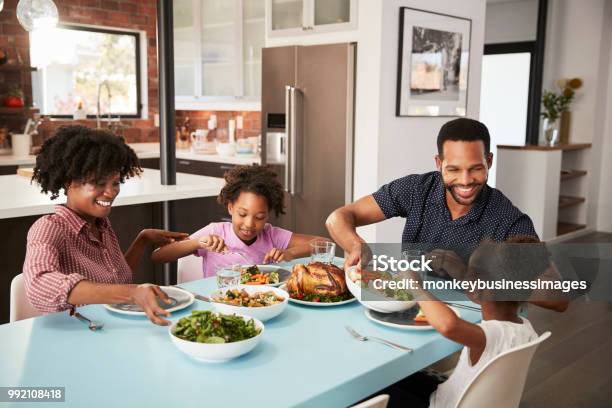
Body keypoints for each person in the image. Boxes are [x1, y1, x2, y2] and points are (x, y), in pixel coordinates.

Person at [326, 118, 567, 312]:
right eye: (453, 169)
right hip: (409, 308)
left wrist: (466, 274)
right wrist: (357, 245)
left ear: (489, 162)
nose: (465, 181)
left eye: (475, 168)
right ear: (438, 163)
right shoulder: (416, 190)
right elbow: (339, 217)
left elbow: (557, 297)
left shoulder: (507, 219)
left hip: (469, 326)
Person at [23, 125, 189, 325]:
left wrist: (143, 239)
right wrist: (131, 293)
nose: (110, 193)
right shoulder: (49, 228)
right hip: (76, 333)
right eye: (99, 183)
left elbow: (117, 279)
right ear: (68, 182)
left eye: (115, 183)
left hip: (108, 327)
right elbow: (38, 284)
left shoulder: (102, 225)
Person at [379, 236, 547, 408]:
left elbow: (449, 325)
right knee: (399, 380)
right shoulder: (526, 328)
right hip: (465, 398)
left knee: (380, 389)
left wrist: (416, 287)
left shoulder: (490, 335)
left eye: (469, 274)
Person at [151, 165, 324, 276]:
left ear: (268, 215)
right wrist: (198, 243)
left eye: (259, 217)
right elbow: (158, 256)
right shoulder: (215, 232)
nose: (249, 224)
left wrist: (289, 253)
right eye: (242, 214)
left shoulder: (271, 236)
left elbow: (324, 243)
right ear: (230, 208)